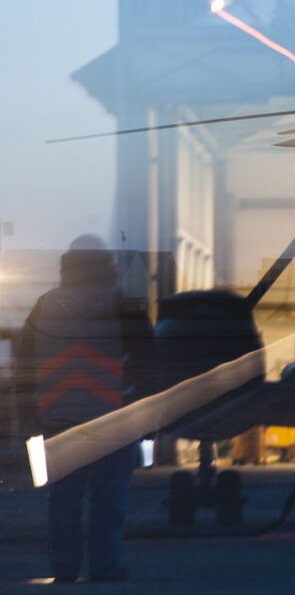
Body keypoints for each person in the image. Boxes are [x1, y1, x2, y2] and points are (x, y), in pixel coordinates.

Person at [16, 234, 156, 582]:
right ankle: (104, 568)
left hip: (58, 420)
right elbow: (148, 362)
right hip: (111, 419)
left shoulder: (44, 305)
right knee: (108, 500)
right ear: (107, 266)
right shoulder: (120, 304)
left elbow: (23, 364)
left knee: (63, 500)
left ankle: (63, 569)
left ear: (67, 264)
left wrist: (29, 419)